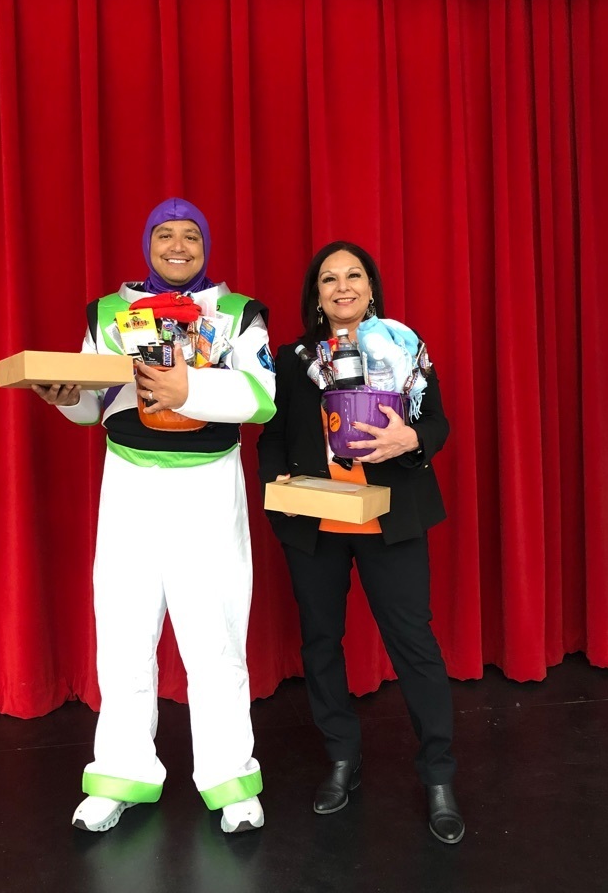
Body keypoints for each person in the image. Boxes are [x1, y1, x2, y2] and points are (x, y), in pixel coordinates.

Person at [32, 197, 276, 835]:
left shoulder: (238, 313)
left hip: (208, 485)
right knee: (123, 631)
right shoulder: (108, 314)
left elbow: (262, 396)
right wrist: (66, 398)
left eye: (190, 235)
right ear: (148, 245)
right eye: (164, 234)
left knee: (215, 636)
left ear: (205, 246)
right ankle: (122, 774)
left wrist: (187, 390)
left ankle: (230, 780)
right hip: (130, 485)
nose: (177, 246)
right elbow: (94, 406)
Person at [257, 241, 464, 844]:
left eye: (354, 276)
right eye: (329, 279)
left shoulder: (403, 347)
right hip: (315, 523)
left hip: (390, 518)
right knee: (321, 643)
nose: (342, 286)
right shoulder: (294, 359)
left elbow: (438, 422)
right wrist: (278, 488)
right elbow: (272, 437)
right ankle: (343, 758)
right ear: (317, 295)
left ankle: (439, 776)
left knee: (414, 645)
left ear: (371, 288)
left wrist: (411, 440)